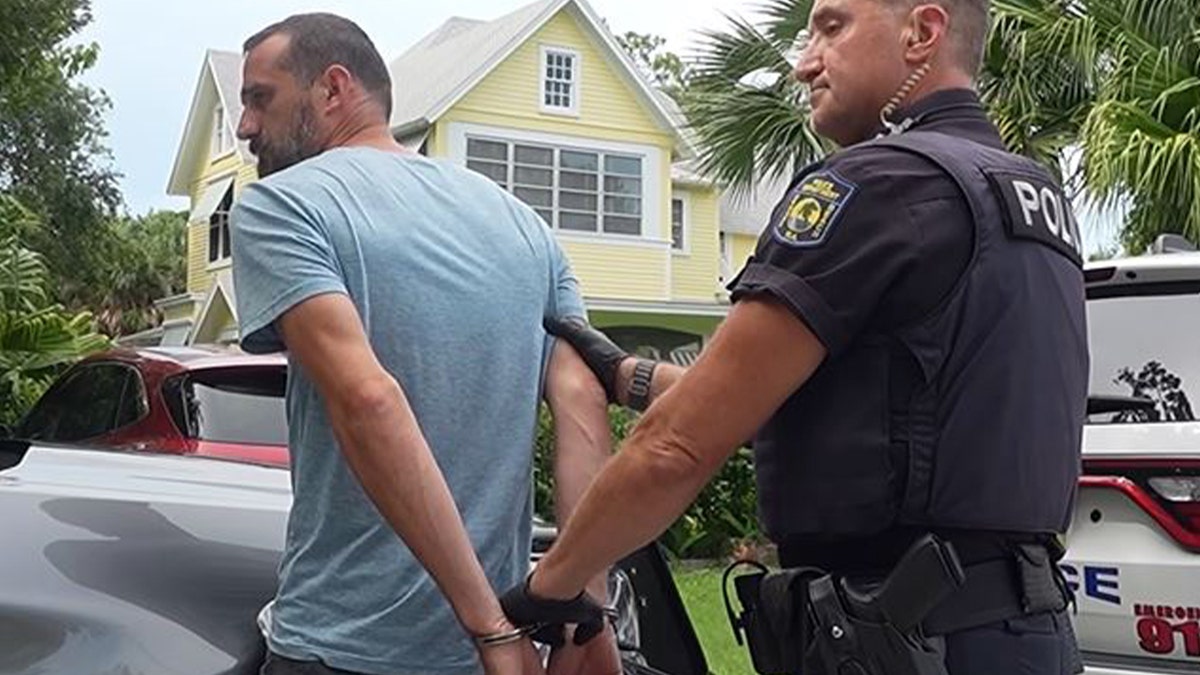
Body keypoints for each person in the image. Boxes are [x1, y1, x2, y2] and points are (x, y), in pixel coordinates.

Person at [503, 1, 1088, 673]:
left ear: (921, 32)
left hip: (911, 641)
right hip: (1024, 631)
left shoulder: (881, 184)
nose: (804, 63)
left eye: (832, 27)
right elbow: (876, 423)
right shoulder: (1028, 193)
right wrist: (627, 376)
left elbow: (676, 446)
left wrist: (547, 591)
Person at [229, 13, 617, 675]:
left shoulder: (281, 206)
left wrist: (488, 627)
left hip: (345, 647)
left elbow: (367, 399)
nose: (245, 126)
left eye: (260, 98)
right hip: (490, 658)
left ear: (332, 89)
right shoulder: (522, 223)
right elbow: (583, 400)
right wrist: (587, 609)